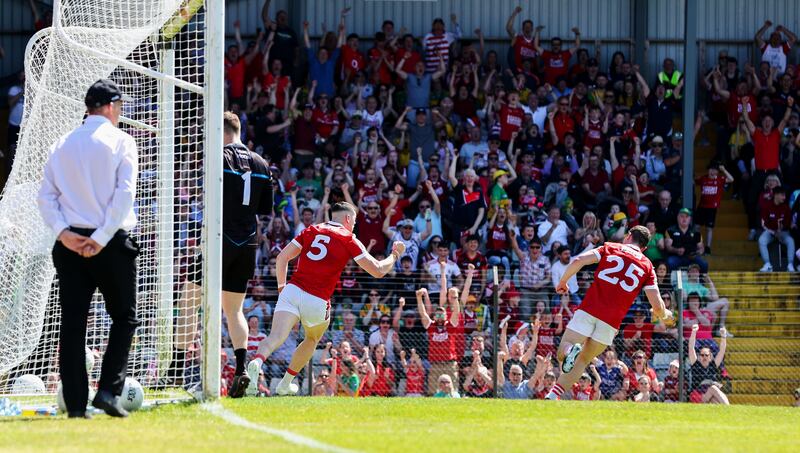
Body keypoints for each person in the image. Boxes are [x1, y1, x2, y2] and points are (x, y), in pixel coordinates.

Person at [37, 79, 139, 418]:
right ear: (110, 107)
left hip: (70, 243)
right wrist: (103, 236)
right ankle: (108, 391)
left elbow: (46, 196)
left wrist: (63, 232)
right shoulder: (123, 141)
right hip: (107, 241)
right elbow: (124, 195)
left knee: (73, 324)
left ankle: (77, 407)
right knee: (124, 317)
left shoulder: (62, 143)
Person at [246, 202, 406, 395]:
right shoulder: (348, 238)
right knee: (312, 339)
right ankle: (286, 383)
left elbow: (281, 258)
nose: (353, 225)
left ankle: (256, 361)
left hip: (292, 290)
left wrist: (282, 287)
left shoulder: (311, 230)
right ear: (347, 219)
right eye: (354, 221)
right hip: (317, 299)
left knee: (275, 337)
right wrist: (395, 255)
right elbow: (378, 270)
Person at [173, 112, 274, 398]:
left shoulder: (219, 157)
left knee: (189, 299)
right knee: (235, 310)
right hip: (248, 243)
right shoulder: (262, 164)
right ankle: (241, 369)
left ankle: (175, 370)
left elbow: (207, 196)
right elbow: (265, 210)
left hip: (221, 238)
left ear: (222, 131)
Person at [544, 226, 673, 400]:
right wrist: (666, 315)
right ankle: (552, 396)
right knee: (583, 361)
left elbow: (579, 260)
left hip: (589, 309)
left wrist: (563, 281)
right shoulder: (647, 266)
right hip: (611, 322)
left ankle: (569, 351)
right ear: (644, 249)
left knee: (563, 351)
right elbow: (657, 306)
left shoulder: (611, 247)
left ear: (628, 236)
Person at [416, 287, 460, 396]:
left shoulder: (450, 326)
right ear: (435, 316)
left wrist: (455, 298)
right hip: (435, 364)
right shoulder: (431, 326)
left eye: (442, 315)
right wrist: (419, 298)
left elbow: (456, 312)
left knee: (453, 392)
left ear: (445, 316)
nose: (440, 317)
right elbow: (423, 313)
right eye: (438, 315)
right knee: (432, 392)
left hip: (449, 364)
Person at [688, 324, 729, 404]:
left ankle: (726, 413)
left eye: (706, 355)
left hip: (710, 395)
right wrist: (694, 332)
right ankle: (729, 408)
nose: (704, 357)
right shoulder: (696, 365)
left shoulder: (713, 365)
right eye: (702, 355)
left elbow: (722, 351)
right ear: (699, 357)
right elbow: (691, 347)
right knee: (713, 388)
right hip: (697, 395)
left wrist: (723, 336)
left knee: (715, 401)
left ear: (710, 357)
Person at [758, 186, 795, 272]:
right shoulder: (767, 206)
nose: (784, 197)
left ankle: (790, 265)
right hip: (770, 232)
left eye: (785, 195)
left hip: (782, 232)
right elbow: (763, 224)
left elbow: (788, 223)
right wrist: (773, 232)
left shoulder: (786, 208)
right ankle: (767, 264)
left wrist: (781, 229)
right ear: (776, 195)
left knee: (790, 241)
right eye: (782, 195)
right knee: (761, 240)